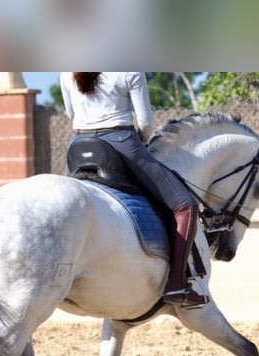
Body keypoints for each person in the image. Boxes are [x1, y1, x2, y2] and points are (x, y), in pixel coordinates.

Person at [60, 72, 207, 307]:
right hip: (120, 141)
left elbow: (71, 114)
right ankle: (177, 284)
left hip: (78, 145)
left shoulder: (67, 71)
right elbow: (146, 123)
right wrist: (139, 144)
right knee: (185, 206)